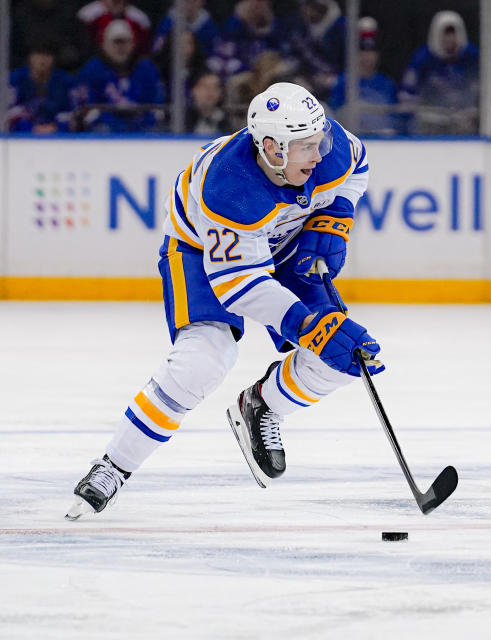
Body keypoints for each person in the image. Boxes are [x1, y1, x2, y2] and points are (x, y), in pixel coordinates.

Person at [66, 81, 382, 520]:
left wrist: (337, 215)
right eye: (306, 147)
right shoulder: (228, 186)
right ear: (272, 148)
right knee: (203, 360)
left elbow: (359, 165)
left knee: (344, 356)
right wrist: (307, 326)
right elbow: (240, 286)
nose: (319, 153)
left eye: (320, 140)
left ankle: (264, 404)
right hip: (200, 252)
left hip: (283, 239)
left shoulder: (329, 148)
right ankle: (113, 466)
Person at [73, 19, 166, 132]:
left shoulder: (146, 68)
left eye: (125, 42)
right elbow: (85, 109)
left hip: (142, 130)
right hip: (104, 133)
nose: (121, 47)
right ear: (104, 45)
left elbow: (157, 105)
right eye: (116, 42)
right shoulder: (92, 70)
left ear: (133, 44)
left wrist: (141, 124)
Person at [400, 11, 479, 135]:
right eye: (445, 34)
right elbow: (406, 98)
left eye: (453, 34)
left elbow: (486, 90)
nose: (450, 39)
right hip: (430, 126)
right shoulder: (422, 59)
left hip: (464, 126)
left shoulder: (473, 57)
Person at [328, 17, 399, 135]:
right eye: (362, 51)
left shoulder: (387, 83)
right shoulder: (343, 82)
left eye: (371, 52)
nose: (367, 57)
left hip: (384, 139)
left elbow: (394, 117)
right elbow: (335, 116)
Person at [7, 41, 76, 134]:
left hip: (59, 136)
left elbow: (74, 112)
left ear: (53, 59)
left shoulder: (66, 81)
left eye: (47, 55)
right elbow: (8, 112)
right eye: (37, 55)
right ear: (30, 57)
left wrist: (58, 127)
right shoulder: (15, 79)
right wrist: (29, 128)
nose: (42, 60)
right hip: (21, 136)